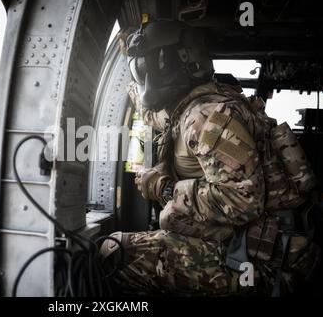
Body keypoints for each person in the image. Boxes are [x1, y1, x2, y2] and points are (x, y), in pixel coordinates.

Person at [99, 19, 320, 296]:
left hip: (267, 262)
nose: (142, 78)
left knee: (114, 253)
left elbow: (244, 200)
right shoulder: (195, 105)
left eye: (143, 69)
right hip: (255, 243)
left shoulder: (206, 118)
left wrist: (165, 188)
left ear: (164, 64)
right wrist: (135, 90)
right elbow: (155, 115)